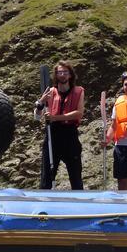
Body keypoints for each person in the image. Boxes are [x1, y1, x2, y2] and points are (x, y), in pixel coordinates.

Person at [36, 60, 84, 190]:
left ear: (70, 75)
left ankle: (80, 205)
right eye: (59, 72)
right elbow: (37, 116)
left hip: (70, 135)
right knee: (46, 177)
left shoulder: (79, 91)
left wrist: (55, 118)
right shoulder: (50, 92)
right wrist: (40, 103)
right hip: (52, 135)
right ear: (56, 75)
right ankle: (44, 204)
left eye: (65, 72)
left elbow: (79, 113)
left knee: (76, 176)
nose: (62, 75)